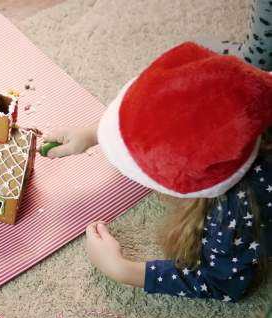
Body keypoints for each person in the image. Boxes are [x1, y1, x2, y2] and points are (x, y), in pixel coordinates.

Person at [41, 42, 271, 302]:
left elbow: (223, 281)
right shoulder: (256, 91)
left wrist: (123, 270)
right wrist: (95, 133)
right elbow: (182, 111)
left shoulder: (233, 210)